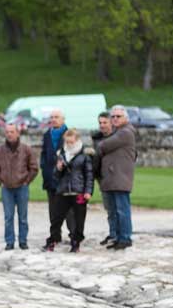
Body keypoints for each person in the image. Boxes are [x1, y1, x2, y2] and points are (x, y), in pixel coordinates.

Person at [43, 129, 93, 253]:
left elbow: (89, 175)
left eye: (71, 141)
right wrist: (58, 169)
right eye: (67, 141)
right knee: (56, 218)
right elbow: (56, 175)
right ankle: (52, 240)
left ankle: (76, 241)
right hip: (63, 190)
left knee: (79, 219)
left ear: (77, 140)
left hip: (79, 191)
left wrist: (88, 191)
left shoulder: (84, 154)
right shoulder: (61, 153)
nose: (69, 144)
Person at [0, 123, 38, 250]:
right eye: (7, 132)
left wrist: (26, 181)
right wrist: (0, 182)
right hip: (6, 188)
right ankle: (9, 241)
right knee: (8, 217)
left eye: (12, 131)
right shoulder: (0, 150)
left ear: (17, 133)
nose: (9, 134)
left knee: (23, 217)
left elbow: (34, 168)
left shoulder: (26, 149)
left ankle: (23, 241)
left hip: (22, 187)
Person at [98, 106, 137, 250]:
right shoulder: (118, 131)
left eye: (118, 116)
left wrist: (99, 144)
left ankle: (125, 238)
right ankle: (118, 237)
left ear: (126, 118)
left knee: (122, 210)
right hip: (113, 178)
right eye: (113, 116)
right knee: (115, 211)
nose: (114, 118)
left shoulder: (125, 132)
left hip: (120, 178)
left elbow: (103, 145)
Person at [41, 109, 75, 243]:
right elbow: (44, 154)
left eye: (56, 117)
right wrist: (44, 168)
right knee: (53, 209)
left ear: (63, 119)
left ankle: (74, 235)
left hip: (66, 178)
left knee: (69, 210)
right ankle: (55, 235)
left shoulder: (70, 134)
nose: (53, 119)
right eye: (52, 117)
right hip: (50, 177)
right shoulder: (47, 135)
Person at [91, 112, 115, 245]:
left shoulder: (117, 137)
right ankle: (113, 233)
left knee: (118, 208)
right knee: (109, 208)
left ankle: (121, 235)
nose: (102, 125)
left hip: (114, 177)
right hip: (102, 178)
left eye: (105, 122)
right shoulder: (96, 138)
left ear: (111, 123)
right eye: (100, 123)